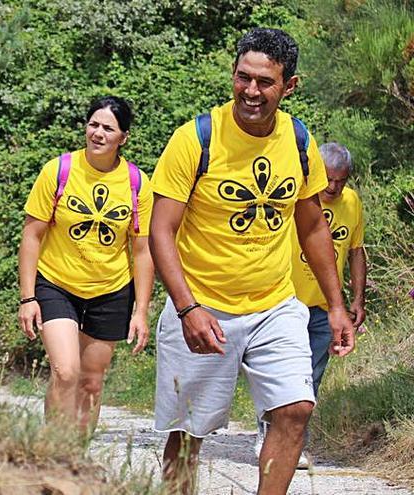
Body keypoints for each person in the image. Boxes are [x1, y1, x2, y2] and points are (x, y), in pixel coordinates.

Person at [148, 28, 356, 494]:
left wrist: (335, 305)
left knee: (295, 410)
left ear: (289, 86)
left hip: (273, 304)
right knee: (188, 433)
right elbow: (160, 230)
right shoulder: (195, 139)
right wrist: (186, 308)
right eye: (243, 78)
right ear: (233, 74)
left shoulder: (299, 142)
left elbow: (313, 227)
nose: (251, 91)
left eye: (265, 82)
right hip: (202, 304)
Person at [18, 96, 155, 434]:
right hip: (56, 283)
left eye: (108, 128)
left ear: (123, 137)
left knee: (91, 383)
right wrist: (27, 298)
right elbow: (32, 236)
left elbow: (141, 251)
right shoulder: (59, 170)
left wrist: (141, 311)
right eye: (93, 124)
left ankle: (77, 462)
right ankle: (53, 452)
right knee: (65, 371)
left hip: (110, 289)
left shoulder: (137, 183)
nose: (98, 133)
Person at [255, 142, 368, 466]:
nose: (333, 187)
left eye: (341, 181)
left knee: (309, 378)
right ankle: (267, 430)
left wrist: (356, 298)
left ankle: (291, 442)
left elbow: (357, 252)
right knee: (277, 374)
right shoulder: (299, 196)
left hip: (323, 307)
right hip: (285, 300)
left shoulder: (352, 203)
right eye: (329, 179)